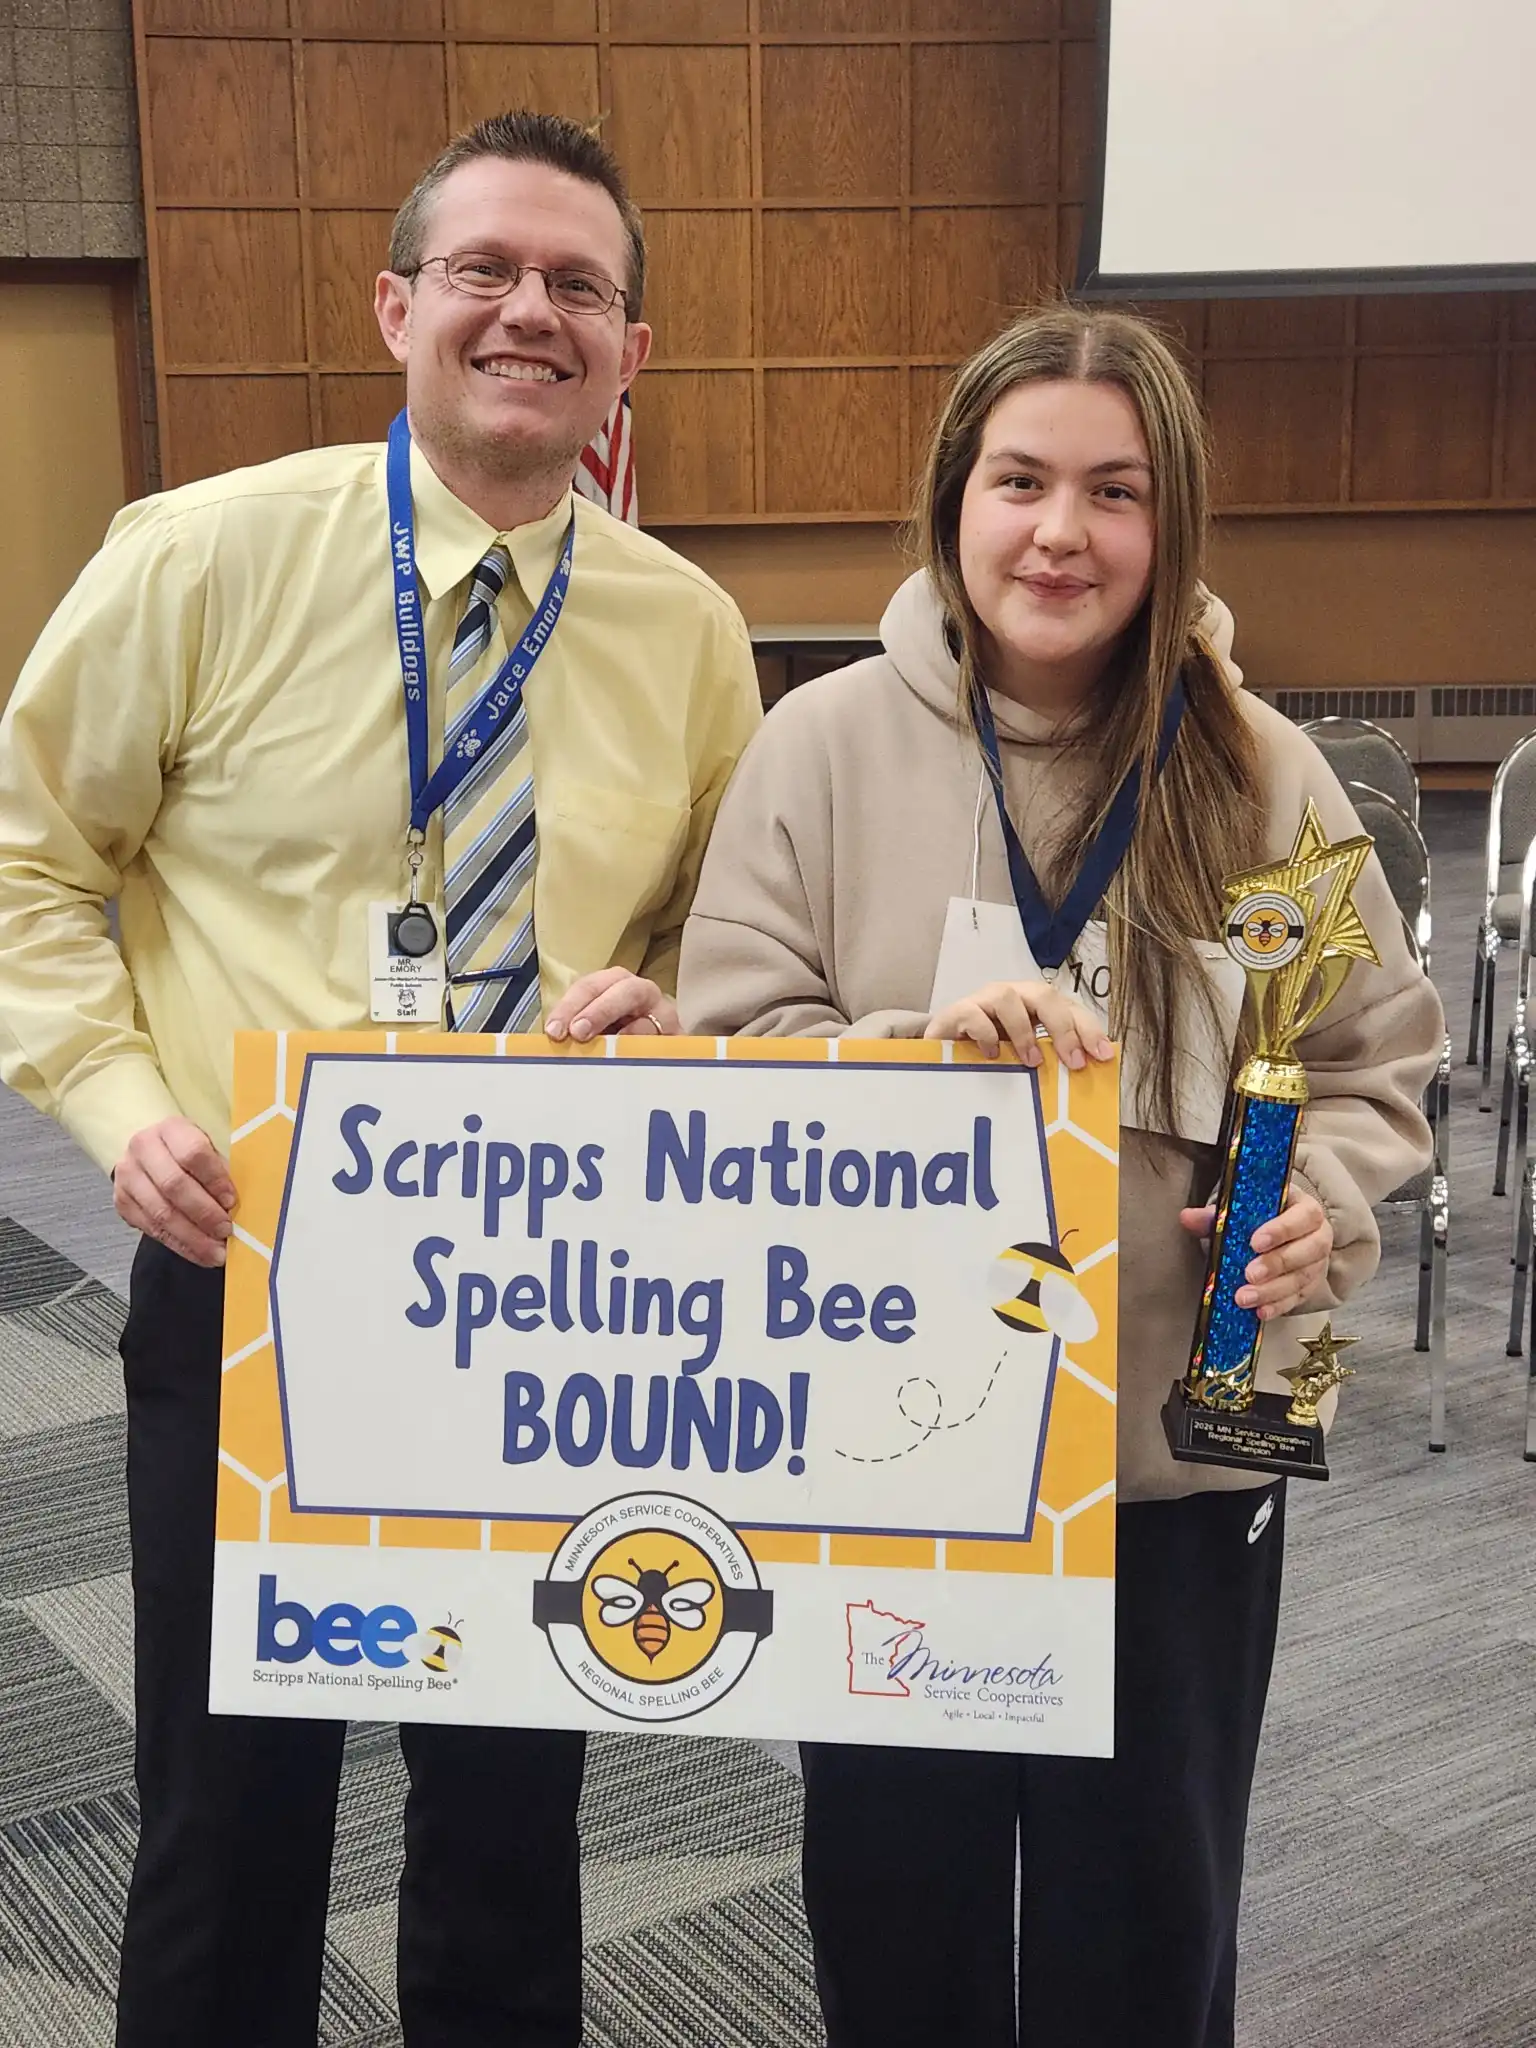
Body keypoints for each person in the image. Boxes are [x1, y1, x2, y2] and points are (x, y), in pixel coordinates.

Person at [0, 111, 761, 2047]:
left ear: (632, 351)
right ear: (398, 305)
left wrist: (666, 1008)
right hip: (254, 1272)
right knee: (232, 1810)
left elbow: (719, 938)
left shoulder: (688, 633)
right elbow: (32, 859)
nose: (532, 312)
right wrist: (116, 1107)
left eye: (579, 284)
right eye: (488, 271)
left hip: (545, 1303)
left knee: (514, 1815)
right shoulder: (203, 557)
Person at [677, 305, 1442, 2048]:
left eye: (1115, 490)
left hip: (1176, 1451)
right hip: (893, 1455)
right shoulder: (825, 748)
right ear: (955, 503)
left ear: (1168, 526)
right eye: (1020, 480)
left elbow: (1366, 1054)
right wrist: (901, 1048)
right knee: (901, 1916)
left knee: (1146, 1923)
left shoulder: (1257, 779)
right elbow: (730, 1052)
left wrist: (1326, 1195)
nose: (1061, 533)